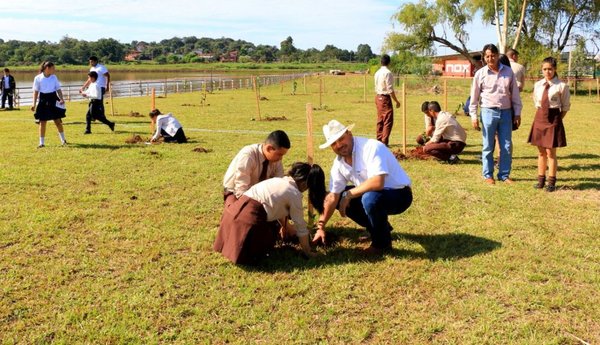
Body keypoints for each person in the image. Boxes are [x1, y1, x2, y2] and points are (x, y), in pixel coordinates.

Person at [312, 120, 413, 254]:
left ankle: (382, 245)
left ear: (349, 133)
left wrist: (348, 195)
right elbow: (333, 196)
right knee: (341, 196)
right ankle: (379, 229)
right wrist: (321, 227)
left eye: (341, 139)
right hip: (374, 195)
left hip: (399, 195)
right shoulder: (339, 163)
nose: (339, 145)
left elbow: (378, 182)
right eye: (333, 143)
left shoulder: (371, 147)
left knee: (368, 198)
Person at [214, 162, 326, 264]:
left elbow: (276, 209)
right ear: (305, 183)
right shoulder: (293, 194)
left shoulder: (277, 181)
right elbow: (300, 226)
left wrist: (287, 227)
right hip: (247, 222)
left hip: (232, 215)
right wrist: (307, 251)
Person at [469, 43, 522, 185]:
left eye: (493, 55)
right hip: (487, 112)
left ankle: (504, 175)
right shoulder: (480, 74)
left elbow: (515, 95)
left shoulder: (508, 72)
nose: (490, 58)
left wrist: (517, 113)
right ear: (484, 57)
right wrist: (473, 116)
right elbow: (473, 98)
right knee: (488, 145)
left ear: (498, 56)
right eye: (487, 56)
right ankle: (488, 175)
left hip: (506, 113)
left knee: (506, 146)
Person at [528, 57, 570, 192]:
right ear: (542, 70)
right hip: (540, 117)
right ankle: (540, 180)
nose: (547, 72)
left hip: (554, 119)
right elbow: (536, 101)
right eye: (545, 69)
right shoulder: (538, 85)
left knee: (550, 152)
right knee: (541, 152)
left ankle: (551, 182)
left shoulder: (561, 86)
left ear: (555, 69)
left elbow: (565, 107)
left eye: (550, 69)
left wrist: (557, 120)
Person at [222, 130, 290, 203]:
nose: (281, 158)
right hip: (235, 192)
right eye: (279, 154)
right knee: (244, 213)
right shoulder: (248, 155)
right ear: (269, 148)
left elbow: (278, 183)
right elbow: (241, 189)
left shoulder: (276, 160)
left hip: (259, 194)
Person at [31, 61, 67, 148]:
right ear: (47, 68)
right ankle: (41, 143)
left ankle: (63, 140)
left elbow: (58, 89)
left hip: (53, 98)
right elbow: (35, 92)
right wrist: (34, 104)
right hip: (43, 100)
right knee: (42, 122)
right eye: (53, 68)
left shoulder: (54, 77)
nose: (54, 70)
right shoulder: (38, 78)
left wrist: (61, 98)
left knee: (57, 121)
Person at [374, 54, 401, 146]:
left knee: (380, 119)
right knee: (388, 120)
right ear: (389, 62)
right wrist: (396, 101)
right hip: (385, 98)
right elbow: (390, 89)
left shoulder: (377, 72)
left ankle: (379, 139)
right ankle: (384, 142)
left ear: (381, 62)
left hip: (378, 97)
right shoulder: (388, 73)